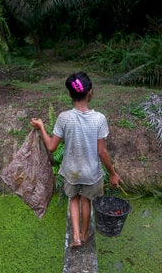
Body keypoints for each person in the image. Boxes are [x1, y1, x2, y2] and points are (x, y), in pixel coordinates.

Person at [30, 72, 123, 248]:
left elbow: (51, 146)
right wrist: (112, 173)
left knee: (73, 199)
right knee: (86, 201)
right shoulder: (99, 119)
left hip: (72, 171)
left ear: (69, 95)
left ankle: (76, 237)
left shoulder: (64, 118)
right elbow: (102, 151)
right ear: (90, 93)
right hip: (91, 173)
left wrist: (41, 126)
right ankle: (84, 234)